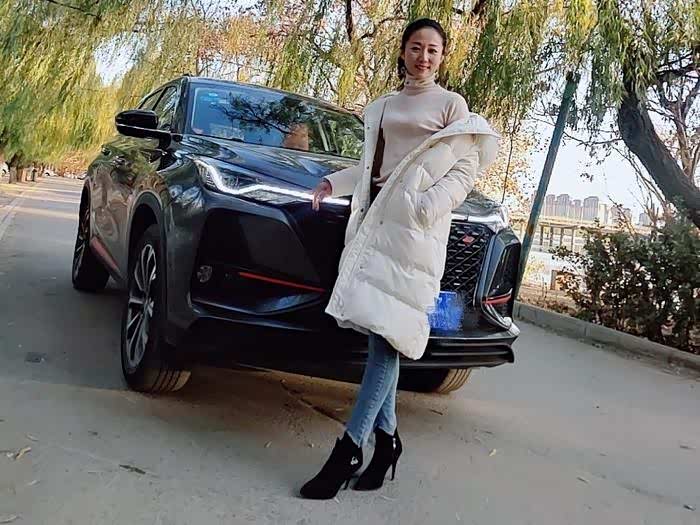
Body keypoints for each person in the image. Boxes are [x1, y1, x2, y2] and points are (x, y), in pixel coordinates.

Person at [301, 18, 500, 499]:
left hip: (414, 234)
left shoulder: (452, 106)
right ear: (403, 51)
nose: (423, 57)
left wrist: (427, 206)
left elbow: (465, 168)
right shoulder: (385, 105)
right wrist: (333, 182)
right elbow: (372, 167)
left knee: (388, 339)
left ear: (442, 57)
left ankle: (350, 447)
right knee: (380, 334)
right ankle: (387, 443)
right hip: (374, 224)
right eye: (416, 47)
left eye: (432, 49)